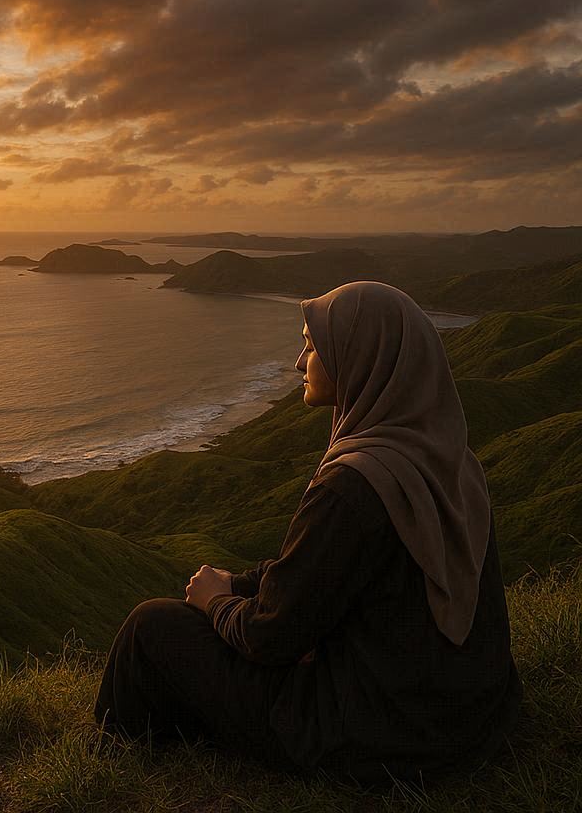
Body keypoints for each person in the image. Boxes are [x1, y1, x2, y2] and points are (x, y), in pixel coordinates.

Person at [93, 280, 523, 789]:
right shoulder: (451, 462)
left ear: (358, 359)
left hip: (381, 740)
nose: (299, 363)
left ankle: (112, 762)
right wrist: (240, 582)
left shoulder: (355, 487)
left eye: (313, 347)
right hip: (469, 716)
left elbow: (270, 638)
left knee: (151, 625)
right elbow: (327, 573)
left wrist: (216, 603)